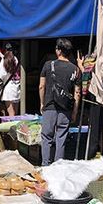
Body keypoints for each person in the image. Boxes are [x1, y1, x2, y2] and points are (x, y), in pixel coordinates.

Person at [38, 38, 84, 166]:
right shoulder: (75, 69)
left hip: (50, 107)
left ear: (58, 50)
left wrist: (42, 103)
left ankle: (46, 165)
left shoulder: (48, 65)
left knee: (46, 137)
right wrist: (75, 112)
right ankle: (58, 167)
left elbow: (42, 86)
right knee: (61, 138)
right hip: (66, 109)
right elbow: (78, 93)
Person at [0, 44, 20, 116]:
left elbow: (0, 75)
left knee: (11, 113)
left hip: (8, 87)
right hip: (16, 87)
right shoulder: (16, 59)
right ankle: (16, 126)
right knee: (16, 113)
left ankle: (12, 127)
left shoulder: (4, 60)